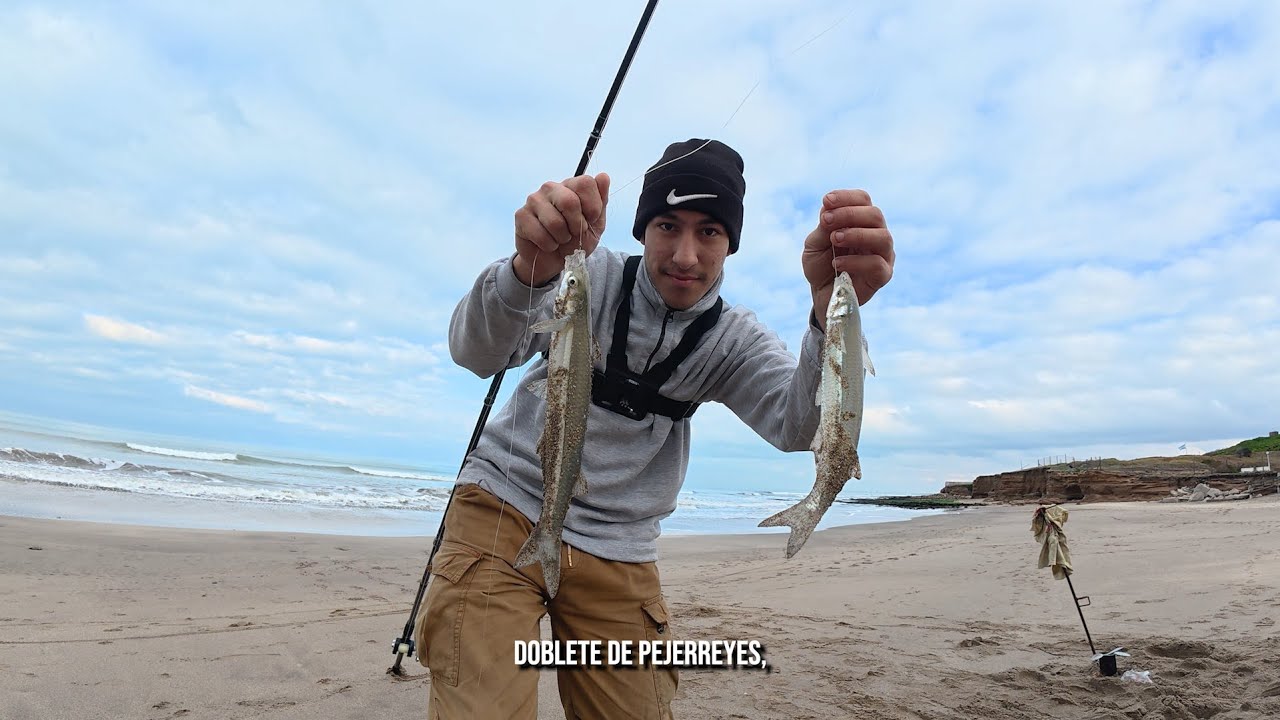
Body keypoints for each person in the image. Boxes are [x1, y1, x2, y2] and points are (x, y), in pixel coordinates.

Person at [416, 139, 895, 719]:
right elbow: (475, 350)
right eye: (668, 225)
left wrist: (828, 314)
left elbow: (801, 425)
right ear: (643, 229)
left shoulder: (733, 340)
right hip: (503, 508)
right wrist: (526, 272)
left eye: (709, 232)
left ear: (730, 245)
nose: (685, 255)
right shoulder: (584, 277)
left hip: (621, 546)